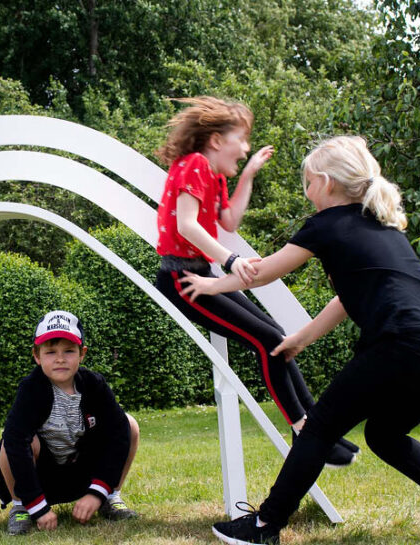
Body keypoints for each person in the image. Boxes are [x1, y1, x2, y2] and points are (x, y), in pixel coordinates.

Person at [178, 136, 420, 545]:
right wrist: (301, 338)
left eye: (307, 183)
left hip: (403, 342)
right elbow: (346, 299)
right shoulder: (381, 227)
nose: (306, 193)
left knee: (319, 428)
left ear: (325, 184)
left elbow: (265, 272)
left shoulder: (326, 224)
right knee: (384, 434)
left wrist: (211, 285)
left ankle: (263, 526)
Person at [154, 96, 358, 467]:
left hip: (200, 273)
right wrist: (231, 260)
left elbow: (229, 221)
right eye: (242, 139)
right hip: (180, 278)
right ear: (216, 140)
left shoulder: (211, 174)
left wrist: (246, 175)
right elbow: (186, 224)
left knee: (278, 336)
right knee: (267, 341)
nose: (246, 147)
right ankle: (303, 429)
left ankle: (319, 427)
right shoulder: (194, 164)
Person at [0, 310, 140, 535]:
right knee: (10, 442)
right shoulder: (30, 389)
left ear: (82, 354)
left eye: (69, 351)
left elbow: (119, 434)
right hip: (40, 477)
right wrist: (38, 505)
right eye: (51, 351)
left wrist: (97, 491)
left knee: (128, 425)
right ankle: (21, 507)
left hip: (81, 472)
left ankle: (110, 497)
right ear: (37, 355)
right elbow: (15, 442)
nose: (60, 358)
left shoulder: (94, 385)